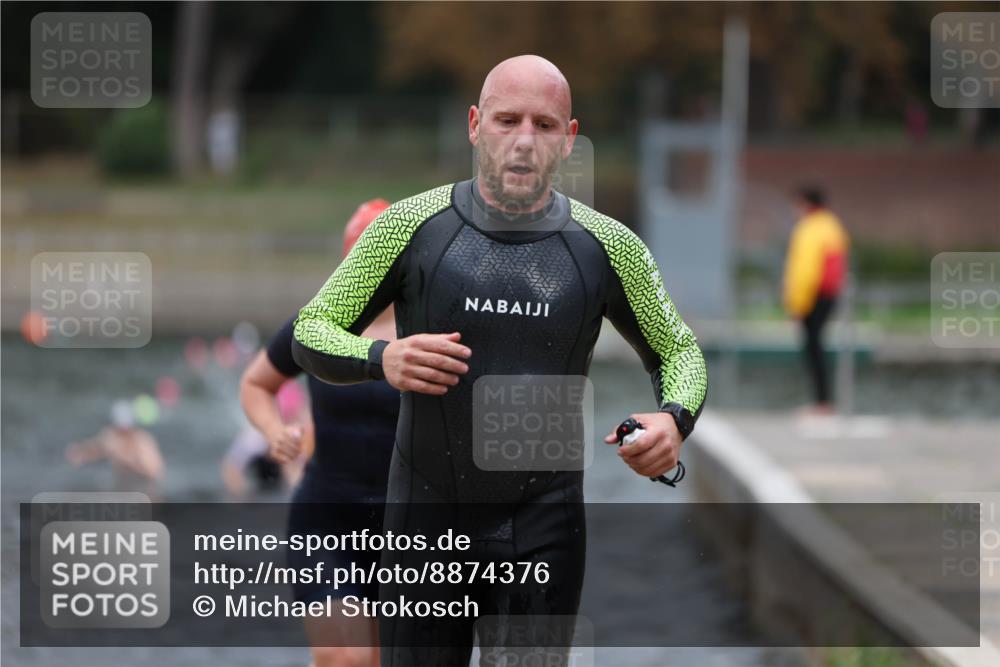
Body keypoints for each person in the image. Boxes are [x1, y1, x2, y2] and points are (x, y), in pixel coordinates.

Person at [292, 55, 708, 666]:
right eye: (507, 120)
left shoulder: (607, 246)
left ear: (569, 140)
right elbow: (311, 330)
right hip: (425, 525)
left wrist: (674, 419)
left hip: (543, 529)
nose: (522, 142)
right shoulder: (410, 226)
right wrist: (382, 357)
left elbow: (679, 351)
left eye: (544, 126)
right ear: (474, 125)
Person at [240, 199, 398, 667]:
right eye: (358, 261)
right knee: (341, 658)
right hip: (325, 520)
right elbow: (255, 384)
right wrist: (274, 430)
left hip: (408, 526)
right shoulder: (318, 323)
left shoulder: (436, 331)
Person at [783, 185, 850, 413]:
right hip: (829, 294)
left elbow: (805, 270)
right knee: (817, 346)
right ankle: (823, 401)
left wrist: (797, 304)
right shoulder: (832, 225)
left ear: (805, 203)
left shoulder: (808, 229)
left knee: (813, 349)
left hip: (813, 297)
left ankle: (822, 403)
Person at [220, 380, 311, 498]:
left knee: (292, 463)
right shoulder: (255, 436)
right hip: (261, 477)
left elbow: (298, 478)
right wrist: (241, 497)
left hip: (281, 481)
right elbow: (230, 469)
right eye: (291, 418)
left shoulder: (300, 435)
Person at [65, 400, 165, 499]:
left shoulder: (142, 441)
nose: (122, 433)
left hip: (143, 489)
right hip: (122, 486)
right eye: (119, 430)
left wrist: (125, 458)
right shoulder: (112, 436)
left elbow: (154, 471)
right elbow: (96, 448)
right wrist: (80, 452)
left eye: (125, 430)